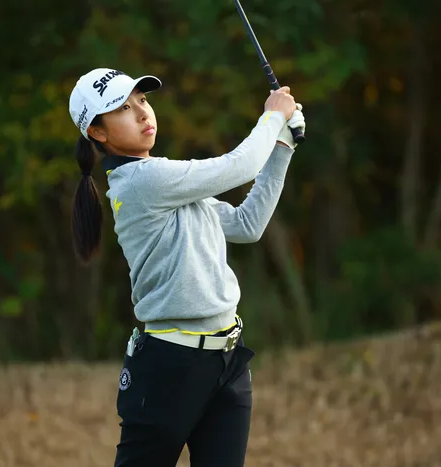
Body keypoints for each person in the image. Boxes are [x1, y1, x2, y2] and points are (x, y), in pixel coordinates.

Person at [67, 67, 306, 467]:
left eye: (142, 100)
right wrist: (273, 116)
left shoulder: (168, 181)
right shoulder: (142, 182)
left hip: (227, 362)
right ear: (97, 132)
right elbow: (240, 166)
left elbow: (247, 225)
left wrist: (282, 145)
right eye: (122, 108)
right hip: (171, 368)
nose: (142, 113)